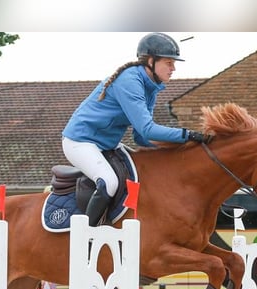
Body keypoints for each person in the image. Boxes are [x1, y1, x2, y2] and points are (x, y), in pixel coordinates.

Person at [62, 32, 211, 226]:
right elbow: (148, 130)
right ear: (151, 60)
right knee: (110, 182)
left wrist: (177, 148)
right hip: (80, 142)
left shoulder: (151, 87)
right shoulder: (130, 81)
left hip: (107, 146)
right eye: (169, 62)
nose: (173, 68)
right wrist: (186, 135)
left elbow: (141, 138)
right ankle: (85, 235)